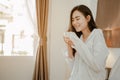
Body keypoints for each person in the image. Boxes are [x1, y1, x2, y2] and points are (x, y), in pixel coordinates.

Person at [63, 4, 109, 80]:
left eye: (77, 19)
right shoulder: (79, 39)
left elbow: (97, 66)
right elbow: (73, 68)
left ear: (88, 18)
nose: (74, 22)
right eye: (73, 20)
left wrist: (76, 42)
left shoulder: (97, 34)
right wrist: (69, 45)